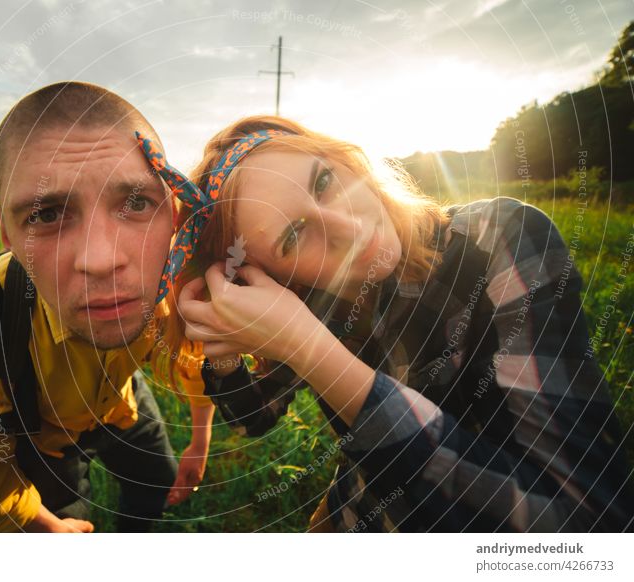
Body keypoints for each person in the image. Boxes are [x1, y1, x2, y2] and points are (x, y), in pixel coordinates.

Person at [173, 115, 634, 532]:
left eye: (324, 181)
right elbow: (254, 417)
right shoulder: (313, 305)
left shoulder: (501, 239)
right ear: (274, 280)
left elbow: (585, 519)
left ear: (346, 159)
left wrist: (310, 348)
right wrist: (229, 345)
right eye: (293, 236)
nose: (350, 229)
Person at [0, 82, 214, 533]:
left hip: (122, 400)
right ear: (7, 235)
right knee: (69, 512)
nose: (101, 261)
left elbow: (194, 360)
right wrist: (46, 530)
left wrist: (200, 441)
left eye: (137, 203)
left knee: (155, 480)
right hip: (41, 437)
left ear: (175, 215)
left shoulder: (181, 287)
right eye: (46, 215)